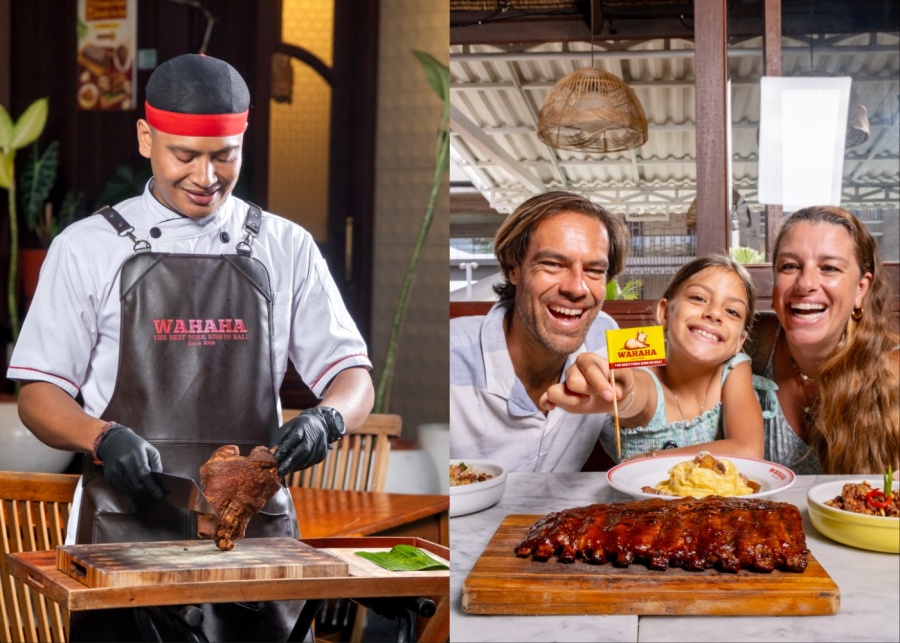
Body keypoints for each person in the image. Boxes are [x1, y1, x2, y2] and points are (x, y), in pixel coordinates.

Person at [6, 54, 374, 642]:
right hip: (124, 535)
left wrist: (329, 418)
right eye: (186, 156)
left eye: (224, 155)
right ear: (147, 138)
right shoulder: (87, 248)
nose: (207, 176)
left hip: (254, 540)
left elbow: (352, 374)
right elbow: (38, 394)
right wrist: (101, 437)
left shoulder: (285, 246)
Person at [450, 191, 631, 472]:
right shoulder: (451, 353)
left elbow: (636, 441)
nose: (577, 288)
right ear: (514, 269)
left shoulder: (604, 334)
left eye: (594, 270)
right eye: (553, 264)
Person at [541, 256, 765, 464]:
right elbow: (635, 390)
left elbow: (749, 450)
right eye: (698, 298)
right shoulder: (645, 370)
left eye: (733, 311)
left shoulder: (735, 368)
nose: (714, 313)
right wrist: (620, 393)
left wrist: (653, 459)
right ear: (665, 313)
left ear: (739, 341)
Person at [743, 206, 899, 475]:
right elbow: (652, 349)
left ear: (861, 289)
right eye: (789, 266)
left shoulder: (893, 368)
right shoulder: (755, 337)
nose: (805, 284)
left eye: (829, 268)